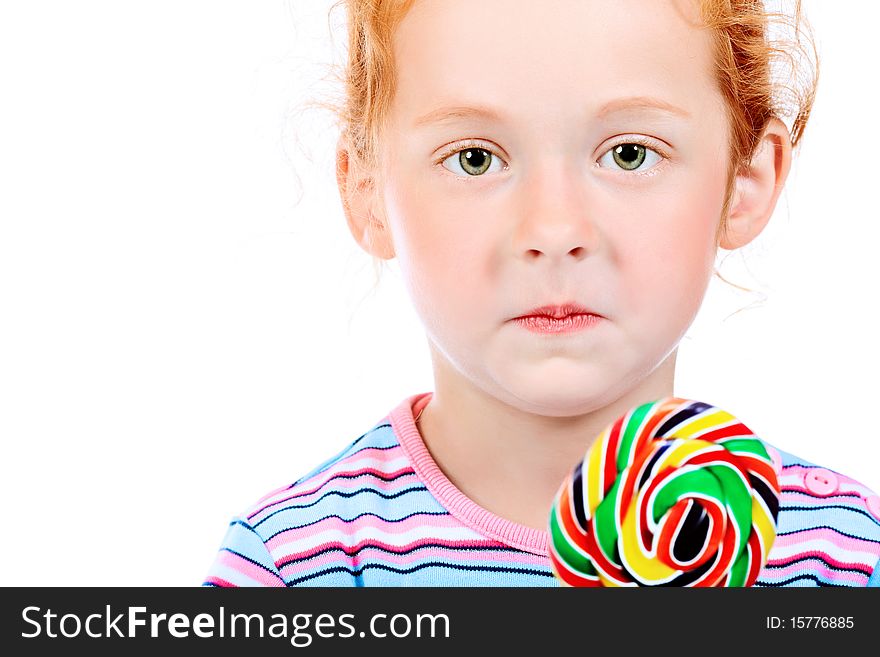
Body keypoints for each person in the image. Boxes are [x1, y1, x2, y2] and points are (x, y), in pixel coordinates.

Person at [203, 0, 880, 587]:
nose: (555, 230)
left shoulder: (839, 562)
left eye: (629, 153)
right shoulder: (295, 568)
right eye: (475, 157)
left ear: (746, 180)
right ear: (366, 192)